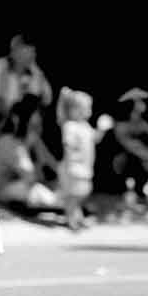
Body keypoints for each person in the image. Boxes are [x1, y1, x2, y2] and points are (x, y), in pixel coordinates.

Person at [0, 34, 51, 173]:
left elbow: (47, 99)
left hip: (14, 127)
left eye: (32, 53)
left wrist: (36, 72)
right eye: (26, 51)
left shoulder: (32, 74)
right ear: (15, 50)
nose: (29, 56)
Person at [55, 89, 96, 231]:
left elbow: (94, 138)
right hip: (72, 167)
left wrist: (102, 129)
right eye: (86, 108)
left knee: (81, 193)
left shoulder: (86, 126)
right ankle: (72, 220)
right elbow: (68, 145)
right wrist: (72, 159)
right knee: (73, 195)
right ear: (74, 110)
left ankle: (78, 218)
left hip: (84, 167)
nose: (89, 111)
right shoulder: (70, 126)